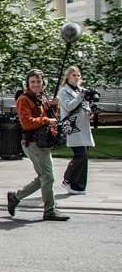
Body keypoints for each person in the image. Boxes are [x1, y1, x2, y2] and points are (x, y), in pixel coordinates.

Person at [8, 69, 70, 222]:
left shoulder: (41, 97)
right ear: (27, 84)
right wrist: (47, 121)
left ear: (44, 83)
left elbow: (48, 116)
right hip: (32, 143)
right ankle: (49, 210)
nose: (36, 85)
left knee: (43, 177)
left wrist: (54, 107)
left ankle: (15, 197)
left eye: (39, 82)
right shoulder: (24, 99)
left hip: (42, 142)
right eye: (33, 82)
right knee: (48, 177)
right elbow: (27, 122)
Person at [57, 65, 94, 195]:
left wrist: (90, 112)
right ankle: (68, 179)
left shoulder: (81, 90)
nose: (77, 78)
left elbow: (84, 106)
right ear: (68, 77)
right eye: (74, 75)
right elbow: (68, 106)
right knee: (81, 154)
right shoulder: (63, 91)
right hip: (73, 127)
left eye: (78, 75)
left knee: (85, 156)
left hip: (83, 125)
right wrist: (80, 96)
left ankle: (79, 186)